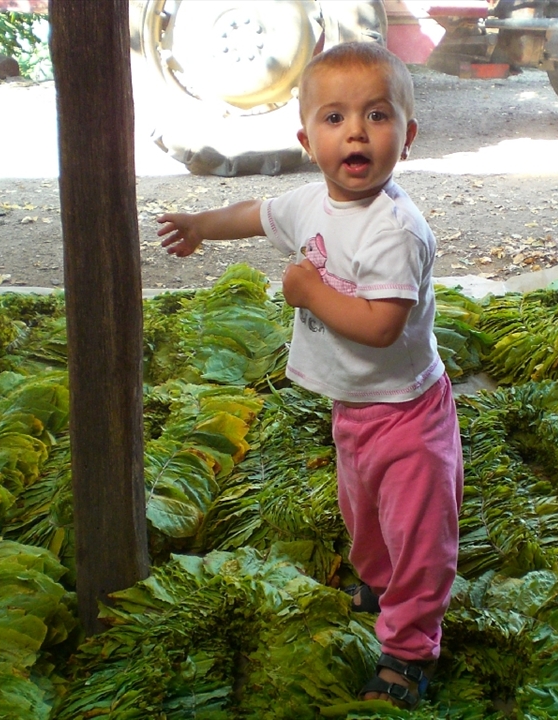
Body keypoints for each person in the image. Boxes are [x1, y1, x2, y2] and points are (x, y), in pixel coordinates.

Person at [156, 41, 464, 710]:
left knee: (419, 536)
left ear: (407, 136)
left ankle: (410, 650)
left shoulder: (395, 230)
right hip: (355, 407)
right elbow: (258, 214)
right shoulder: (310, 204)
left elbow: (381, 326)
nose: (356, 132)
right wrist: (202, 225)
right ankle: (381, 588)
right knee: (366, 517)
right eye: (334, 117)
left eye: (377, 115)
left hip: (409, 415)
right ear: (307, 140)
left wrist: (308, 292)